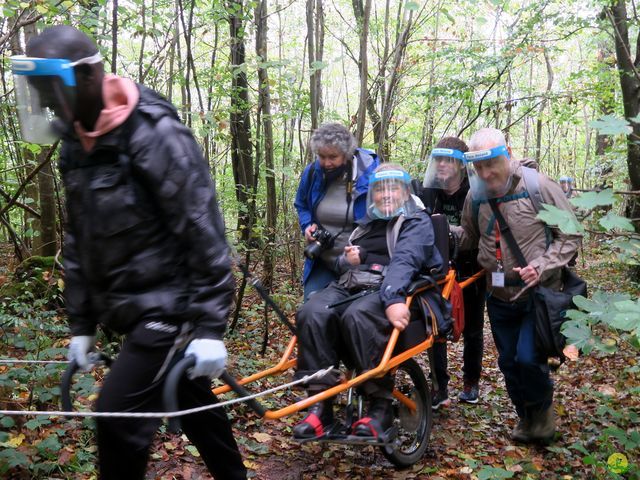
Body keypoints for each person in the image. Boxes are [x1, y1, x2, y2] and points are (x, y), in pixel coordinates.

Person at [11, 26, 246, 479]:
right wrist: (81, 324)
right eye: (42, 93)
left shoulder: (155, 135)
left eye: (54, 91)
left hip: (168, 309)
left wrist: (212, 324)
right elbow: (79, 239)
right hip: (128, 307)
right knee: (196, 406)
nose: (50, 105)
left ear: (89, 79)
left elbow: (202, 228)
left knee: (116, 418)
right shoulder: (74, 146)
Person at [292, 164, 443, 439]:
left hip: (394, 288)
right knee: (311, 312)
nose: (386, 195)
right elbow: (342, 266)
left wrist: (394, 298)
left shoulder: (416, 221)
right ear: (372, 194)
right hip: (355, 284)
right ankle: (320, 406)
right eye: (379, 190)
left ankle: (380, 407)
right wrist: (346, 261)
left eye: (393, 188)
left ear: (405, 192)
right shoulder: (367, 224)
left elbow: (405, 261)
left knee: (358, 315)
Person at [455, 128, 581, 444]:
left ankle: (541, 417)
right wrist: (441, 233)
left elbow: (571, 235)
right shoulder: (475, 195)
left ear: (507, 154)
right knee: (508, 362)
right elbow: (470, 237)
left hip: (537, 294)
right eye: (478, 167)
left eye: (491, 164)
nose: (485, 173)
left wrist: (541, 265)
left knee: (528, 358)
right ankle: (527, 418)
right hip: (497, 293)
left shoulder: (538, 186)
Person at [418, 136, 487, 409]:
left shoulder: (476, 192)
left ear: (461, 165)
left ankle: (471, 381)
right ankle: (439, 387)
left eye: (449, 160)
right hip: (437, 269)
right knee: (435, 327)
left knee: (472, 328)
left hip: (470, 268)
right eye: (439, 160)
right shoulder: (428, 193)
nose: (443, 165)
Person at [294, 123, 380, 300]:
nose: (326, 163)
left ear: (347, 153)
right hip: (323, 261)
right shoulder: (312, 173)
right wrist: (307, 225)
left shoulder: (371, 172)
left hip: (361, 263)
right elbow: (301, 203)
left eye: (333, 157)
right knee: (312, 308)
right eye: (322, 156)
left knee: (351, 315)